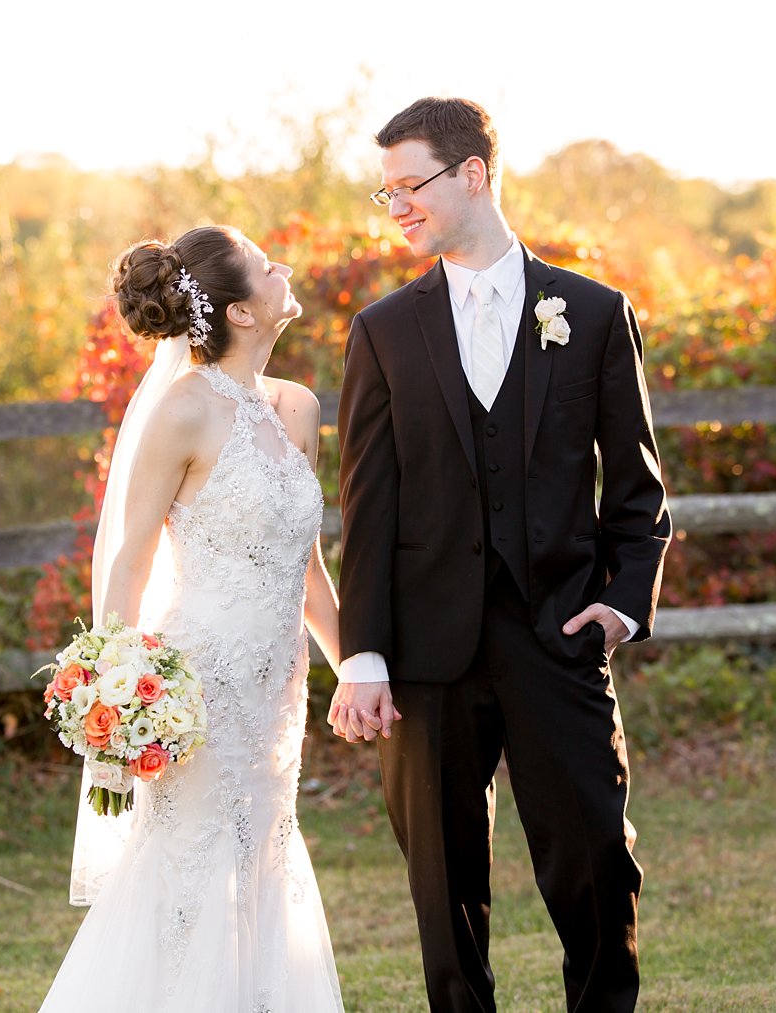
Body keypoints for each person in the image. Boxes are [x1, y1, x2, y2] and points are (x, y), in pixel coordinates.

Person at [330, 97, 671, 1012]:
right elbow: (364, 508)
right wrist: (361, 655)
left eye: (411, 186)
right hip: (425, 658)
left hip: (557, 637)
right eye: (386, 191)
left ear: (472, 174)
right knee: (444, 894)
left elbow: (638, 492)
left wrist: (622, 601)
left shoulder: (593, 314)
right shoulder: (383, 332)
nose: (396, 206)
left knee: (600, 859)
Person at [39, 225, 345, 1011]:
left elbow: (305, 566)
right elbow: (129, 558)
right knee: (192, 870)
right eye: (266, 264)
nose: (285, 267)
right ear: (241, 311)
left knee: (260, 860)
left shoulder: (298, 408)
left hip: (277, 690)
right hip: (197, 688)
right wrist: (116, 700)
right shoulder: (181, 410)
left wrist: (362, 670)